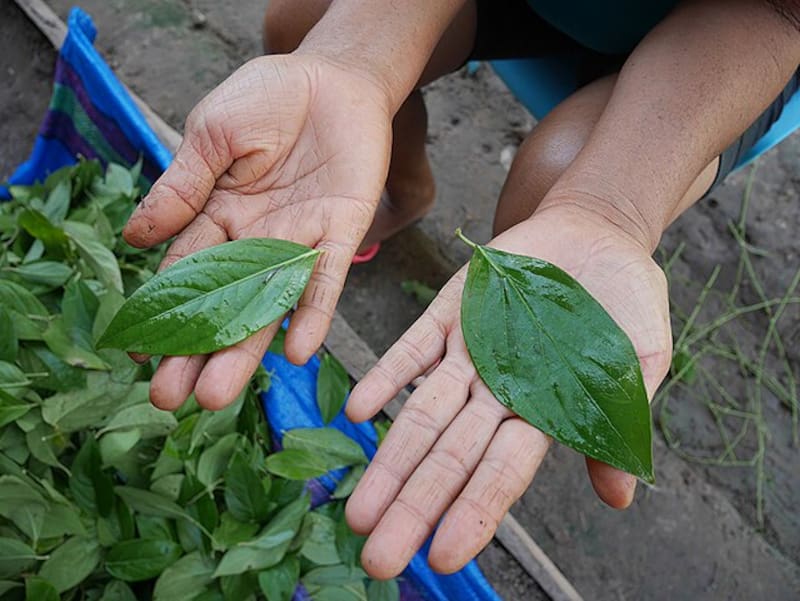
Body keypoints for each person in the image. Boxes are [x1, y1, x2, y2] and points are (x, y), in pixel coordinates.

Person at [123, 0, 800, 580]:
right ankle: (408, 188)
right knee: (305, 26)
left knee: (549, 192)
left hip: (723, 45)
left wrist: (608, 207)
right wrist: (351, 61)